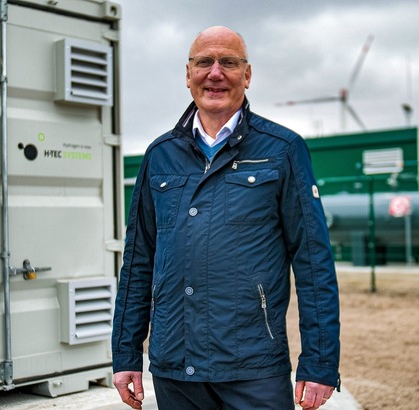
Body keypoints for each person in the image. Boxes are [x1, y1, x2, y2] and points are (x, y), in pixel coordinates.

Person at [111, 26, 340, 410]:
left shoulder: (282, 151)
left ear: (246, 76)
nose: (215, 73)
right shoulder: (160, 155)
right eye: (204, 62)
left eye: (228, 63)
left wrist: (319, 363)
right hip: (175, 368)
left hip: (253, 369)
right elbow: (137, 262)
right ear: (188, 75)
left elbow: (313, 262)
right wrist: (126, 353)